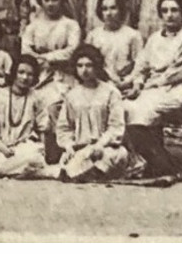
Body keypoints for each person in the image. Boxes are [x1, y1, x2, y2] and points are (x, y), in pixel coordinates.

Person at [122, 0, 182, 177]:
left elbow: (178, 72)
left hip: (176, 88)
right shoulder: (154, 38)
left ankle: (161, 163)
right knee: (125, 107)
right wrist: (137, 83)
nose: (169, 15)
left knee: (143, 111)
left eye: (174, 10)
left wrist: (148, 85)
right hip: (151, 87)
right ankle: (153, 159)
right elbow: (142, 65)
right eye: (165, 11)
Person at [53, 45, 139, 182]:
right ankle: (87, 172)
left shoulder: (110, 92)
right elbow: (64, 127)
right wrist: (68, 146)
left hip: (106, 148)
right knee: (73, 160)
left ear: (97, 66)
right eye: (80, 66)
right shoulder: (72, 95)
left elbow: (116, 127)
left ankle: (88, 172)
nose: (84, 70)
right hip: (81, 147)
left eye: (89, 65)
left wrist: (100, 144)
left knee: (116, 155)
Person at [0, 54, 51, 179]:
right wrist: (4, 149)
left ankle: (12, 170)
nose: (25, 77)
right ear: (13, 73)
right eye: (21, 72)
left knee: (35, 157)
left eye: (30, 74)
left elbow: (42, 127)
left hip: (24, 147)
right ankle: (23, 171)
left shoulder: (37, 97)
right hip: (0, 148)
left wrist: (43, 152)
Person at [88, 0, 143, 87]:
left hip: (126, 82)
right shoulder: (93, 35)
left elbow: (140, 64)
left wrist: (128, 81)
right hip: (101, 84)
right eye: (104, 9)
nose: (109, 13)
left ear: (121, 10)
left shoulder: (133, 35)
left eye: (113, 8)